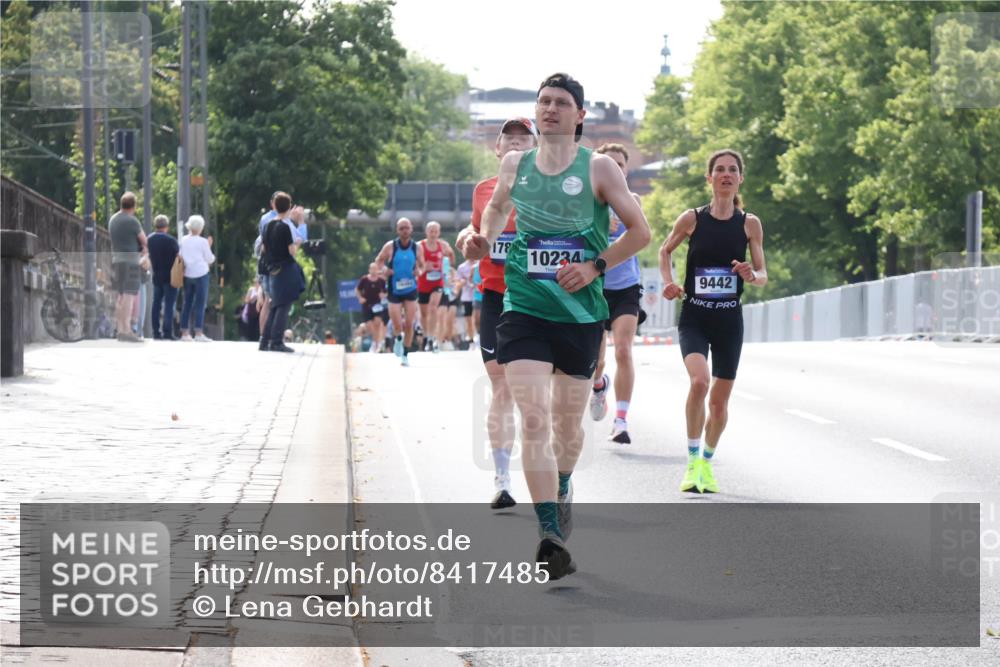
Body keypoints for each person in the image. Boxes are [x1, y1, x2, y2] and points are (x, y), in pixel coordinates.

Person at [464, 74, 650, 579]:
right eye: (543, 101)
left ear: (579, 115)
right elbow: (499, 209)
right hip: (523, 309)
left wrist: (595, 266)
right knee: (533, 418)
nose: (550, 109)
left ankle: (563, 482)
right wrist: (481, 238)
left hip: (580, 315)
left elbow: (640, 232)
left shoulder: (600, 168)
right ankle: (548, 534)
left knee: (567, 426)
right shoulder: (514, 164)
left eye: (561, 103)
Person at [658, 149, 768, 494]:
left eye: (732, 170)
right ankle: (692, 463)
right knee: (699, 383)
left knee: (719, 405)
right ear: (709, 178)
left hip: (728, 321)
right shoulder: (692, 219)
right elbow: (665, 251)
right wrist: (669, 282)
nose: (725, 174)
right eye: (719, 169)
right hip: (694, 315)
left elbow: (763, 274)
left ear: (739, 179)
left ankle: (706, 460)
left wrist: (752, 275)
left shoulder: (750, 223)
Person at [457, 116, 538, 510]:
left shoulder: (549, 190)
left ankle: (552, 472)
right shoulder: (483, 191)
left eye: (525, 141)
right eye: (510, 140)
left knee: (536, 393)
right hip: (494, 296)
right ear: (498, 149)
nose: (517, 146)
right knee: (501, 385)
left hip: (538, 299)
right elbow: (475, 230)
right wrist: (466, 239)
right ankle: (503, 477)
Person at [590, 144, 646, 444]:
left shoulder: (632, 200)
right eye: (610, 163)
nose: (616, 168)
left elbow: (640, 238)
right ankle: (599, 385)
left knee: (623, 350)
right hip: (595, 286)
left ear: (625, 170)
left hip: (625, 287)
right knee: (596, 361)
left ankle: (621, 421)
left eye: (621, 164)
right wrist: (597, 227)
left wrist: (620, 232)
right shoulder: (589, 202)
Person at [375, 218, 423, 366]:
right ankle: (398, 338)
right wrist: (384, 270)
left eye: (407, 228)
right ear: (397, 230)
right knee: (397, 324)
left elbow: (423, 265)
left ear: (411, 229)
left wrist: (418, 271)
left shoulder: (417, 247)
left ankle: (405, 354)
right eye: (401, 228)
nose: (404, 230)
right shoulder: (391, 246)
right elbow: (379, 260)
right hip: (394, 289)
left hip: (410, 289)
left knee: (409, 323)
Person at [260, 192, 303, 353]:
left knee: (274, 305)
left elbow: (264, 248)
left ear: (274, 206)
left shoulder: (268, 225)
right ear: (290, 207)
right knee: (283, 306)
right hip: (285, 269)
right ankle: (277, 341)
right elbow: (291, 251)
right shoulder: (285, 227)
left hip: (272, 269)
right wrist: (297, 244)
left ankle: (265, 340)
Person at [108, 192, 148, 343]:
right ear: (134, 206)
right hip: (131, 262)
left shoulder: (113, 220)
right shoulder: (132, 221)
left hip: (117, 261)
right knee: (129, 296)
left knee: (120, 295)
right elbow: (144, 240)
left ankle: (119, 328)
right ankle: (127, 330)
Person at [416, 221, 455, 353]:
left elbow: (451, 255)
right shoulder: (419, 246)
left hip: (437, 282)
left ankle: (432, 338)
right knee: (423, 314)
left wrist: (448, 264)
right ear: (426, 232)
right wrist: (424, 267)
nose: (433, 234)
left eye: (435, 231)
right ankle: (426, 336)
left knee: (433, 308)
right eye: (431, 231)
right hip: (423, 283)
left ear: (439, 232)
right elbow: (416, 265)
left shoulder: (443, 245)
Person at [178, 215, 215, 341]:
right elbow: (210, 258)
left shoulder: (183, 240)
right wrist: (209, 246)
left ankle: (184, 332)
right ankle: (198, 332)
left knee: (187, 302)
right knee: (200, 303)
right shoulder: (203, 242)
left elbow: (180, 256)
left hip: (188, 274)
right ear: (200, 228)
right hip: (201, 273)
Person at [147, 214, 179, 340]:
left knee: (156, 304)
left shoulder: (149, 239)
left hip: (156, 275)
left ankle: (156, 332)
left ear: (156, 225)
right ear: (166, 226)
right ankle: (167, 332)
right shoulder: (171, 240)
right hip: (170, 276)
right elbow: (179, 256)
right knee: (169, 304)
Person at [356, 262, 388, 353]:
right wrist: (360, 298)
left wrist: (384, 295)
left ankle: (377, 344)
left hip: (377, 305)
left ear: (377, 270)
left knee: (378, 323)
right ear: (369, 270)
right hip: (367, 305)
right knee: (370, 326)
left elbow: (386, 291)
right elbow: (357, 289)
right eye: (372, 269)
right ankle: (375, 342)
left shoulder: (381, 281)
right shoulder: (364, 280)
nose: (374, 271)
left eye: (375, 269)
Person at [455, 258, 477, 347]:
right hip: (466, 297)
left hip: (478, 296)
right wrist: (462, 282)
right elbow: (457, 283)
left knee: (476, 319)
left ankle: (477, 337)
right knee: (468, 320)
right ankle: (471, 340)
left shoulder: (479, 264)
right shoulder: (461, 267)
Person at [240, 277, 263, 342]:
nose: (256, 284)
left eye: (258, 282)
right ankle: (250, 339)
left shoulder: (262, 290)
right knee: (251, 326)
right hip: (251, 310)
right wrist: (253, 298)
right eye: (255, 282)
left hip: (259, 311)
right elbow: (246, 300)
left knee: (258, 326)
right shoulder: (251, 289)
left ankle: (257, 338)